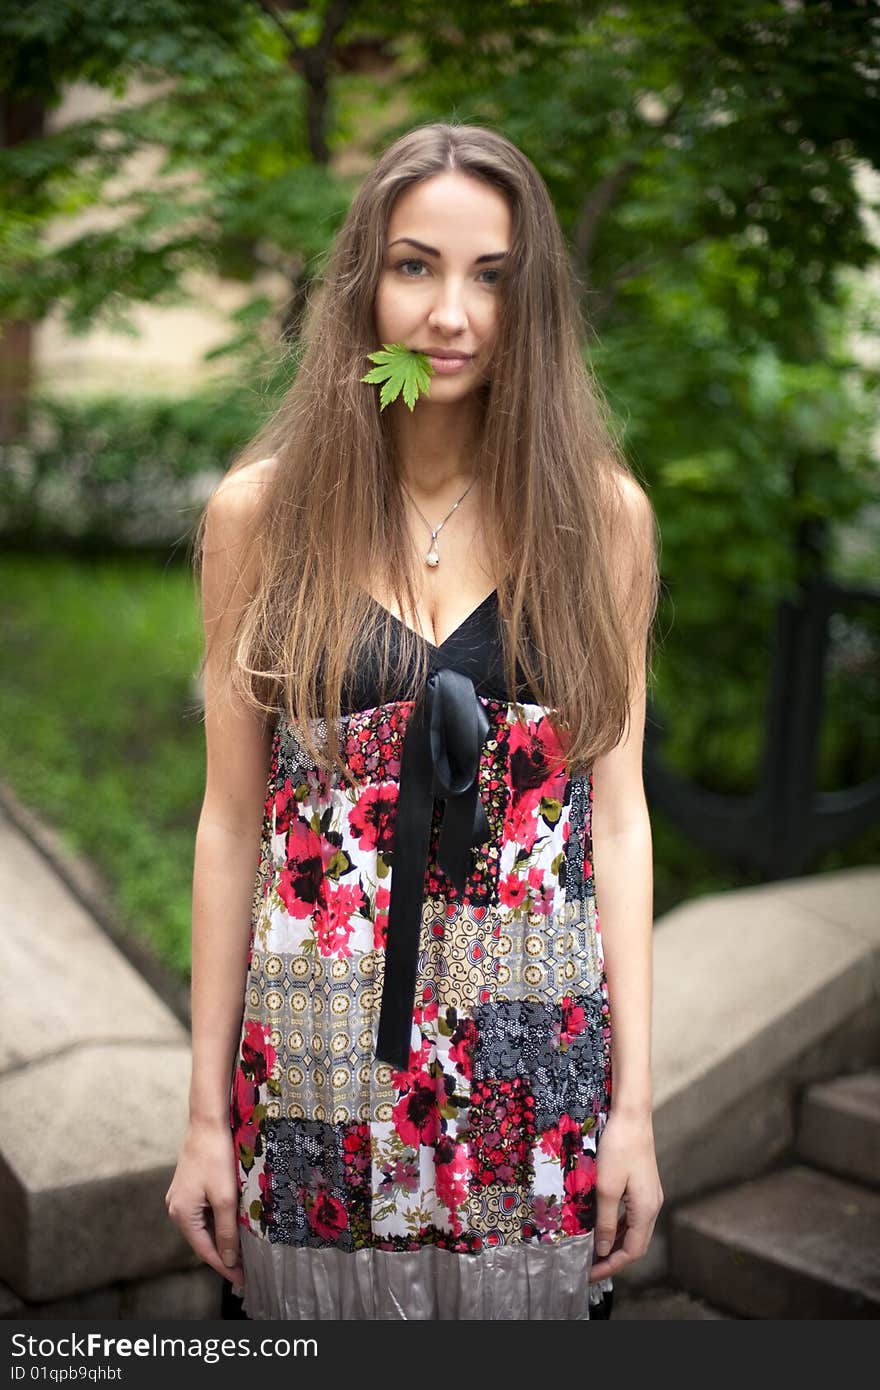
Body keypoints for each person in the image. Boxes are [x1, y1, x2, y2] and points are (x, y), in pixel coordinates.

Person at [165, 120, 664, 1321]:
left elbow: (618, 820)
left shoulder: (599, 517)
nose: (450, 314)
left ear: (531, 298)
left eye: (491, 276)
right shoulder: (262, 516)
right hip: (316, 1048)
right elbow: (233, 822)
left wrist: (638, 1105)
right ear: (363, 283)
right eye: (415, 265)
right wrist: (198, 1116)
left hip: (532, 1055)